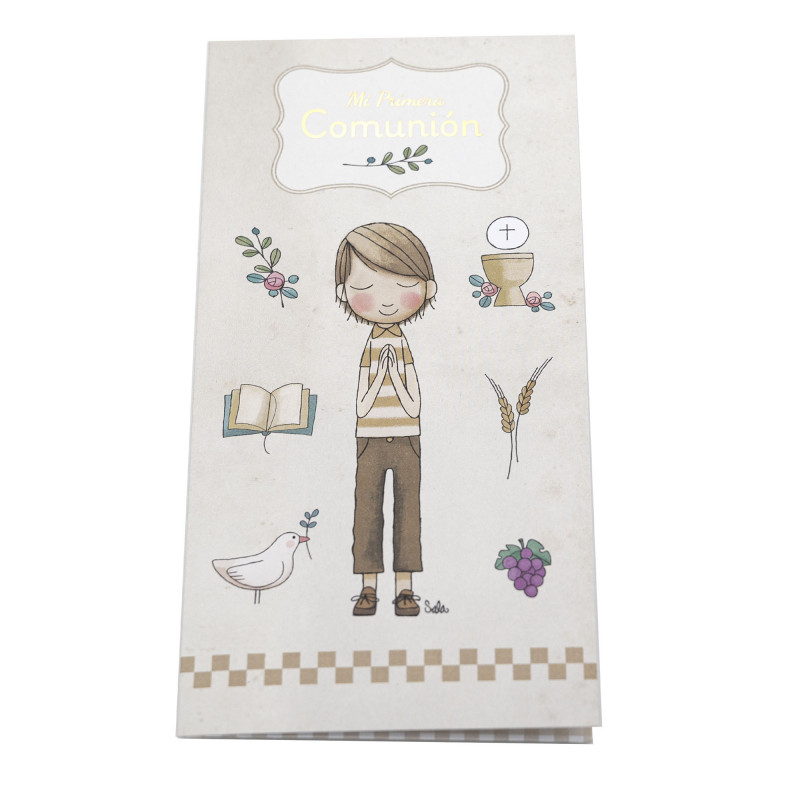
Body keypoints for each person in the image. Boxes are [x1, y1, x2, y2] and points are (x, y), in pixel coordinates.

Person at [335, 222, 437, 616]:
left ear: (428, 288)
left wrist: (394, 373)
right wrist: (381, 376)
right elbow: (362, 407)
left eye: (402, 285)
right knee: (368, 511)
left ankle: (405, 590)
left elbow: (414, 406)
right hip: (370, 440)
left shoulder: (402, 347)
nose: (388, 302)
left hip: (408, 437)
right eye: (366, 287)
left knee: (408, 512)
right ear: (343, 292)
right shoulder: (371, 348)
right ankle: (368, 589)